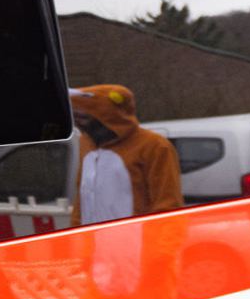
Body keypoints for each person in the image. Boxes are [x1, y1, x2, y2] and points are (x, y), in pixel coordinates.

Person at [70, 84, 183, 224]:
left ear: (106, 117)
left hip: (136, 235)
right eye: (74, 116)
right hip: (92, 235)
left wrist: (162, 237)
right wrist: (75, 230)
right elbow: (82, 197)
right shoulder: (86, 143)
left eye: (83, 117)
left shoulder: (154, 145)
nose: (78, 122)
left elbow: (168, 204)